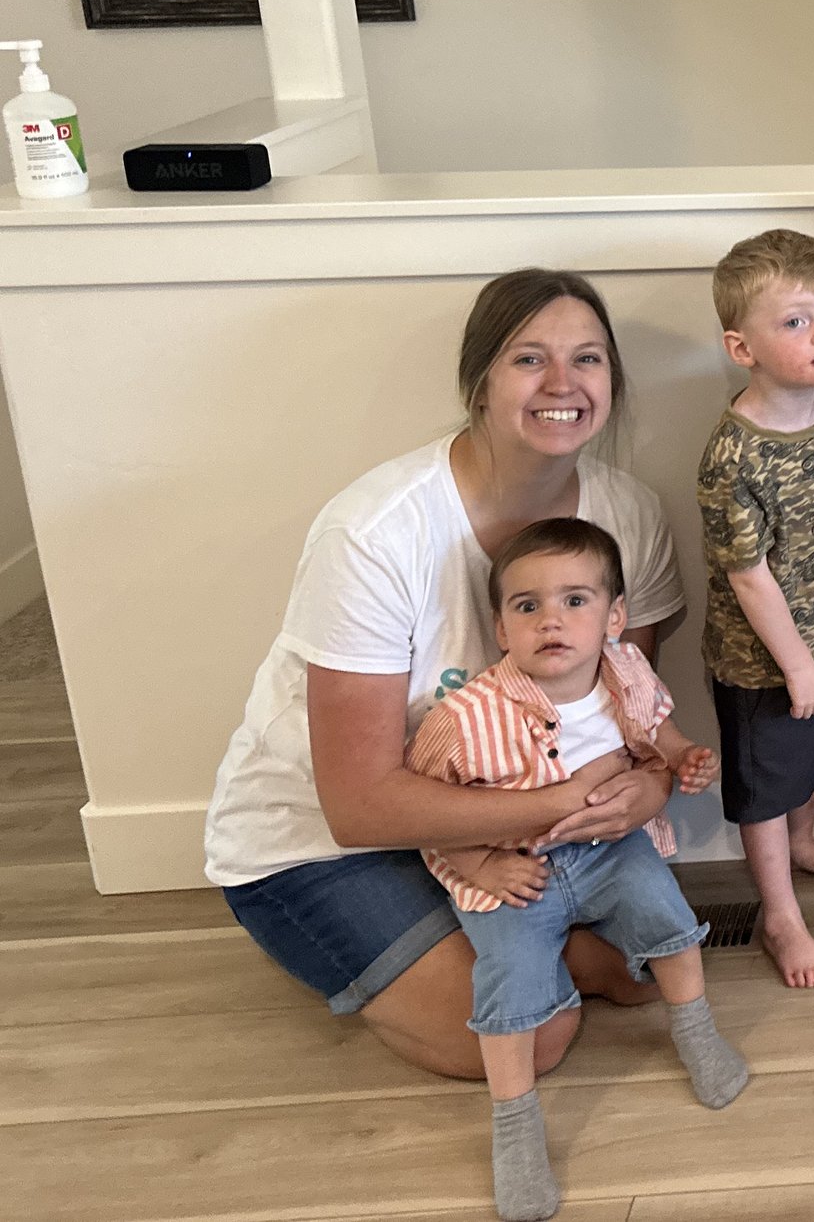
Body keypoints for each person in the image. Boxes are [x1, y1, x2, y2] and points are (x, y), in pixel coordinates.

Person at [205, 270, 685, 1080]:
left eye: (589, 359)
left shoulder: (627, 516)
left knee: (650, 966)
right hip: (325, 845)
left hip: (523, 834)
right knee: (532, 1039)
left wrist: (655, 784)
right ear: (480, 382)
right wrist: (565, 806)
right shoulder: (375, 532)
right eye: (530, 359)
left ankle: (532, 940)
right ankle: (524, 950)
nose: (564, 384)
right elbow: (356, 807)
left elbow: (629, 714)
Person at [409, 520, 745, 1222]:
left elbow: (654, 730)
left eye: (575, 600)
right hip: (511, 868)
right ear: (501, 626)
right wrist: (478, 862)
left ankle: (697, 1031)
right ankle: (516, 1124)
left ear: (614, 617)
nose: (551, 620)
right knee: (510, 982)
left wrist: (683, 755)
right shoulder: (465, 717)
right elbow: (423, 811)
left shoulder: (625, 672)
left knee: (672, 922)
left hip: (609, 848)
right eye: (527, 606)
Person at [697, 230, 814, 989]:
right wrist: (796, 664)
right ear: (743, 346)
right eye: (797, 321)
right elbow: (746, 573)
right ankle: (777, 910)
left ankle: (805, 843)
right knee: (767, 782)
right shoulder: (733, 455)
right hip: (765, 659)